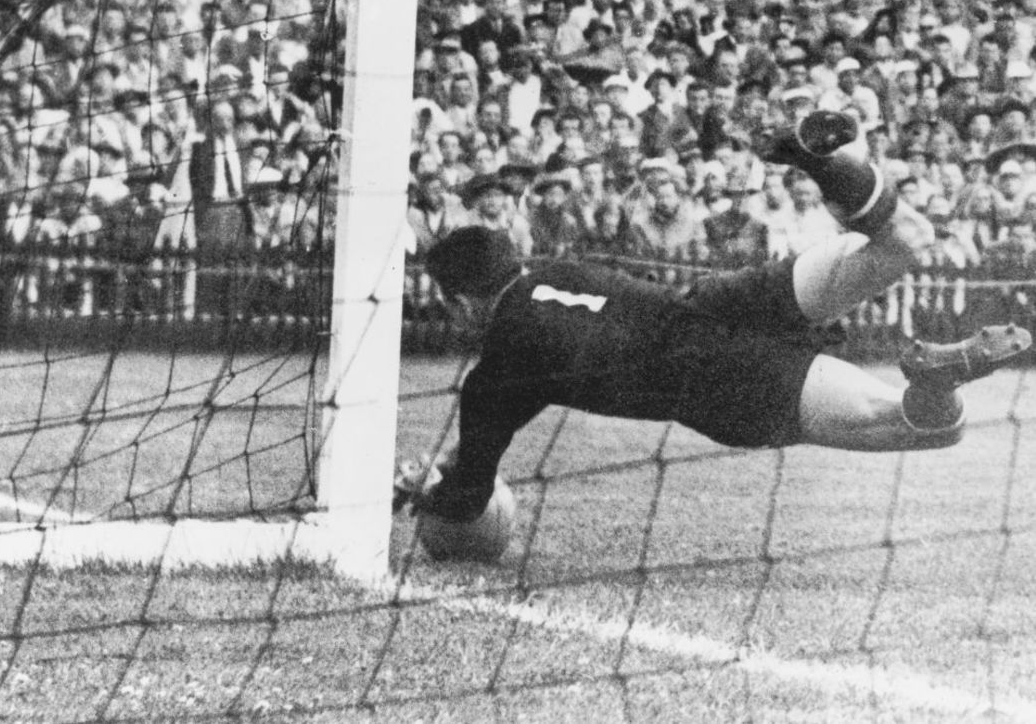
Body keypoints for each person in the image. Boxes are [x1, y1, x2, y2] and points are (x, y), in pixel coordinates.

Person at [397, 111, 1032, 528]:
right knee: (905, 242)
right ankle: (826, 164)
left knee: (923, 428)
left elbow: (468, 498)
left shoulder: (497, 376)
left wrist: (427, 487)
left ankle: (937, 380)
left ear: (461, 304)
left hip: (718, 383)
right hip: (725, 301)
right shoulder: (555, 268)